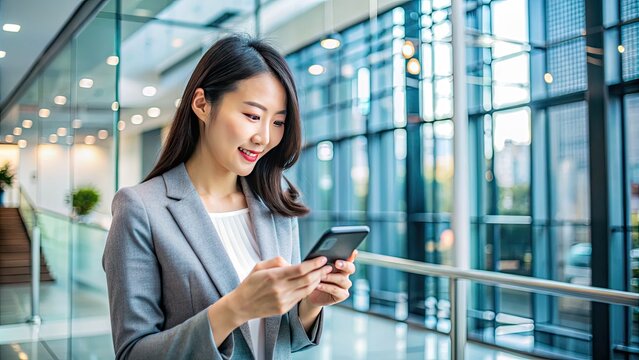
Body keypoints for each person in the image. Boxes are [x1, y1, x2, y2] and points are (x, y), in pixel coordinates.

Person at [102, 34, 357, 360]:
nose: (264, 137)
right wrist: (235, 308)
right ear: (201, 104)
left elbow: (280, 341)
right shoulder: (141, 209)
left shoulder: (275, 205)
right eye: (252, 116)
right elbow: (133, 353)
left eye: (278, 122)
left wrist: (310, 304)